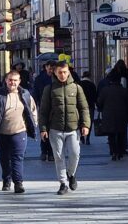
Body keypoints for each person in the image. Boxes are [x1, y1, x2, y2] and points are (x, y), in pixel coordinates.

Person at [39, 61, 91, 195]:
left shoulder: (76, 88)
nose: (62, 75)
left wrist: (85, 125)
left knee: (75, 154)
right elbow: (43, 111)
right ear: (55, 73)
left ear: (69, 72)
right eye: (60, 72)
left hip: (73, 129)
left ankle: (71, 174)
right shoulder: (49, 89)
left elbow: (84, 108)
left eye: (65, 72)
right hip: (55, 129)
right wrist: (43, 128)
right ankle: (63, 183)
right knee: (58, 157)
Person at [0, 71, 37, 194]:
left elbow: (33, 110)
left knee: (17, 158)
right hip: (1, 133)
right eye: (10, 80)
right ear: (6, 81)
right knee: (4, 158)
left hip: (19, 131)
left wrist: (34, 124)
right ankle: (6, 180)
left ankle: (18, 182)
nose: (12, 82)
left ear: (19, 81)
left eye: (15, 80)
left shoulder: (25, 94)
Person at [97, 70, 128, 160]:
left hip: (108, 116)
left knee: (111, 135)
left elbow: (99, 102)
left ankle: (113, 152)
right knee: (121, 134)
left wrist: (101, 109)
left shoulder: (105, 90)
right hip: (122, 116)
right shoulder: (123, 91)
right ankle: (120, 151)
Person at [112, 60, 128, 154]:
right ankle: (123, 146)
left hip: (113, 106)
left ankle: (115, 147)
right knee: (123, 128)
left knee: (113, 127)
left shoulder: (112, 77)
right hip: (125, 107)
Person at [33, 60, 56, 161]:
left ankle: (51, 152)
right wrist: (35, 105)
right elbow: (36, 92)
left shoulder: (57, 78)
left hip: (55, 107)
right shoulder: (39, 78)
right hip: (43, 106)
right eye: (50, 68)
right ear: (46, 67)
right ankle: (43, 151)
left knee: (53, 131)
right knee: (43, 129)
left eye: (53, 68)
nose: (51, 70)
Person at [79, 71, 98, 145]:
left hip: (80, 107)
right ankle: (88, 138)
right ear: (90, 76)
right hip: (90, 106)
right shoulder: (92, 85)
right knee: (89, 122)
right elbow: (95, 96)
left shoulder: (79, 84)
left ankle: (82, 137)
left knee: (80, 122)